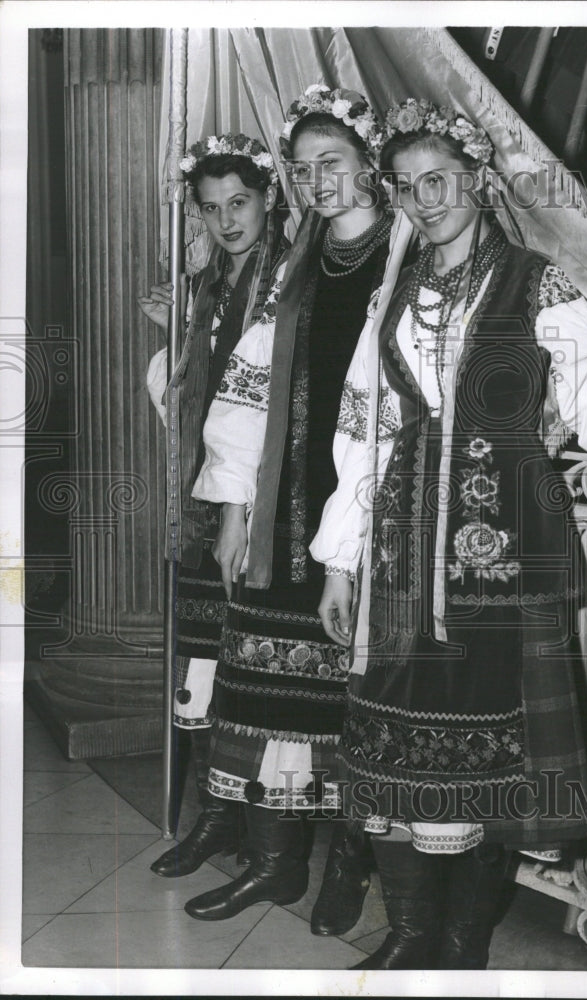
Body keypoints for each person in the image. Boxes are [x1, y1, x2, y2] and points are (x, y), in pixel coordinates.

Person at [312, 99, 587, 969]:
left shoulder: (539, 282)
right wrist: (341, 560)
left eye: (439, 181)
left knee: (492, 755)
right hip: (399, 552)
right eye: (407, 187)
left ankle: (458, 943)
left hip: (503, 549)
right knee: (390, 736)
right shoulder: (392, 295)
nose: (423, 201)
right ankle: (411, 931)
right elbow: (364, 430)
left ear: (480, 180)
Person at [179, 87, 395, 933]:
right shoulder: (297, 261)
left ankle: (352, 864)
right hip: (282, 510)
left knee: (360, 701)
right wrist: (234, 509)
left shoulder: (407, 254)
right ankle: (274, 866)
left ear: (367, 161)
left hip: (372, 504)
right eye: (302, 170)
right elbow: (248, 381)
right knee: (264, 684)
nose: (315, 182)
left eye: (330, 163)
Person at [141, 134, 289, 877]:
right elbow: (186, 408)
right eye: (211, 208)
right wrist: (180, 340)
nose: (227, 220)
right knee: (200, 659)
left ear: (268, 199)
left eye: (240, 203)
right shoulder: (204, 285)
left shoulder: (289, 277)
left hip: (262, 497)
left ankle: (271, 838)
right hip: (202, 498)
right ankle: (212, 819)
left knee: (254, 670)